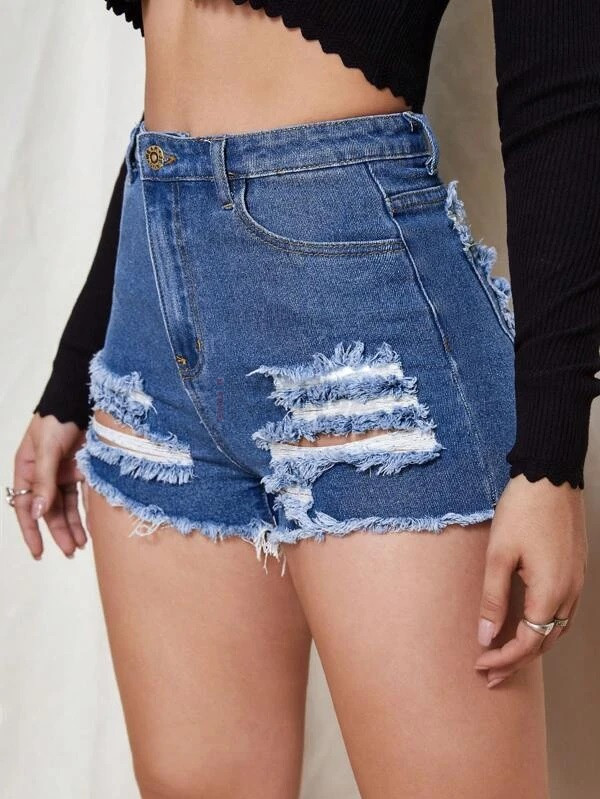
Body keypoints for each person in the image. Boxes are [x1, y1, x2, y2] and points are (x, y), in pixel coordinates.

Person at [9, 1, 600, 796]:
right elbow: (194, 94)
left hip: (369, 335)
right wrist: (71, 377)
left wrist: (553, 456)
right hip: (150, 324)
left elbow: (562, 89)